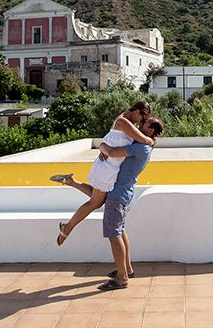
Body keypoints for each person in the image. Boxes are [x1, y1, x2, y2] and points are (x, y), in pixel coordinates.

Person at [50, 101, 154, 246]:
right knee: (95, 203)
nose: (141, 122)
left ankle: (71, 182)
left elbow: (109, 140)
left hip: (109, 166)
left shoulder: (123, 121)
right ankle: (67, 227)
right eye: (143, 118)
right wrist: (152, 140)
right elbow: (145, 140)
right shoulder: (123, 122)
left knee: (98, 200)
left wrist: (103, 148)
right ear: (137, 111)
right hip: (107, 168)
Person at [97, 116, 164, 291]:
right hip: (124, 192)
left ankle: (121, 278)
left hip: (118, 193)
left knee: (114, 234)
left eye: (145, 123)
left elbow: (111, 152)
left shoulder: (141, 147)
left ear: (151, 131)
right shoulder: (143, 145)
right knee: (120, 230)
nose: (141, 124)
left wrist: (102, 146)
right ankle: (127, 269)